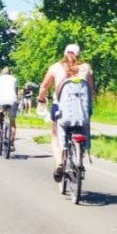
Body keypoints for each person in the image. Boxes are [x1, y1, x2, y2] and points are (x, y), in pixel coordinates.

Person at [37, 44, 95, 182]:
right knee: (82, 130)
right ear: (79, 54)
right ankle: (80, 159)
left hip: (60, 109)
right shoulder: (86, 68)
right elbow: (91, 89)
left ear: (64, 53)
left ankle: (60, 163)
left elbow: (44, 86)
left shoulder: (55, 67)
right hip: (82, 111)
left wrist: (41, 98)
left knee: (55, 135)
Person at [0, 67, 19, 149]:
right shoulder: (14, 79)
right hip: (13, 100)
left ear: (2, 72)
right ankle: (12, 143)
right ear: (10, 72)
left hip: (1, 100)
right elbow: (16, 92)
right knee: (12, 122)